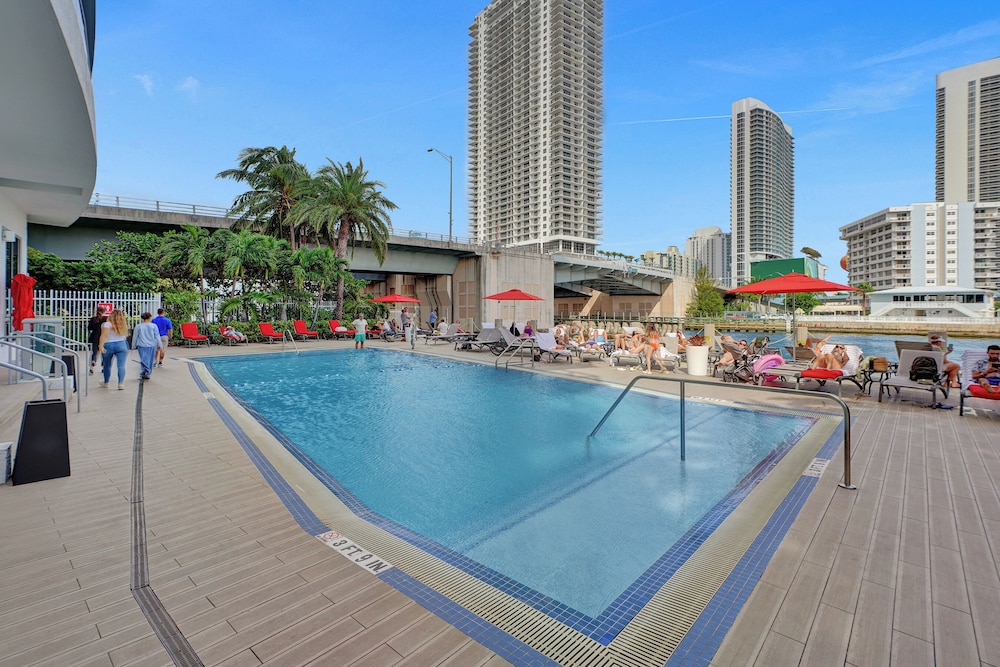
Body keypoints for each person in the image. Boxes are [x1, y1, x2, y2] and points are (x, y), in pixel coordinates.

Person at [99, 310, 130, 390]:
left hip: (109, 345)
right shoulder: (123, 324)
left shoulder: (107, 324)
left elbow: (104, 336)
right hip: (122, 344)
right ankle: (121, 383)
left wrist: (101, 346)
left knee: (107, 365)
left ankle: (106, 382)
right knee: (121, 365)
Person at [131, 312, 163, 380]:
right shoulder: (154, 326)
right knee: (150, 360)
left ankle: (144, 371)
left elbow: (135, 337)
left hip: (141, 345)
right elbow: (157, 336)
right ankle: (148, 372)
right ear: (150, 317)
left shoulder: (138, 326)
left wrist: (133, 346)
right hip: (152, 345)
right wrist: (160, 345)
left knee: (143, 359)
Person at [87, 305, 107, 375]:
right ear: (104, 311)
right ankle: (104, 367)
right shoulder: (105, 319)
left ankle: (92, 364)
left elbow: (89, 328)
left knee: (94, 352)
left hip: (94, 338)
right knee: (104, 353)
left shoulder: (93, 319)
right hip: (103, 338)